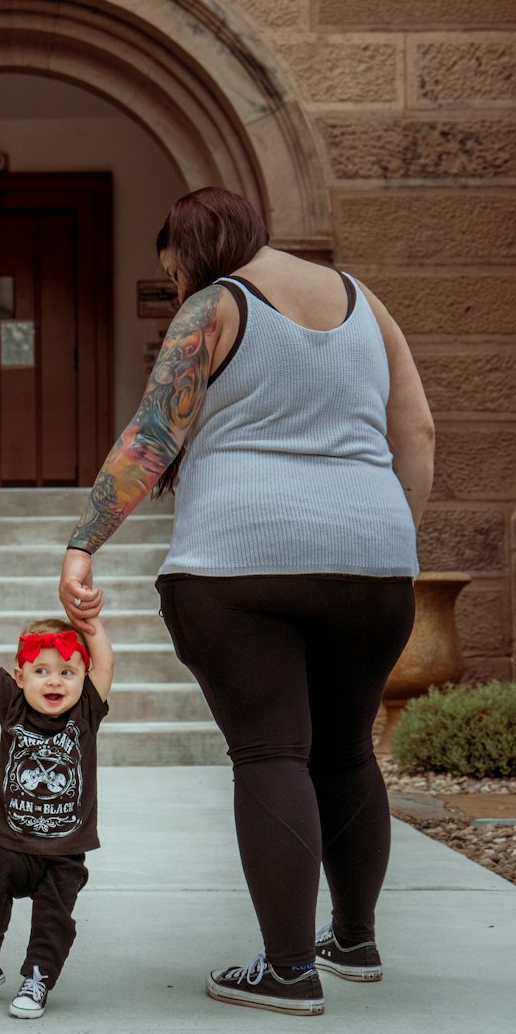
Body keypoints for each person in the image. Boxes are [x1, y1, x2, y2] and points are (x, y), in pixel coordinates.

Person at [58, 186, 434, 1019]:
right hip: (373, 566)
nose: (176, 281)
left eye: (174, 267)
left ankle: (289, 968)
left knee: (272, 751)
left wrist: (84, 540)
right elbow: (419, 433)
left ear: (195, 247)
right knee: (346, 750)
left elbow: (153, 435)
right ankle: (356, 940)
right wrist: (383, 535)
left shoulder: (213, 306)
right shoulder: (369, 304)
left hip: (239, 565)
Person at [0, 599, 113, 1020]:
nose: (55, 681)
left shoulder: (86, 711)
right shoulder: (11, 704)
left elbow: (104, 659)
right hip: (9, 843)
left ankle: (38, 978)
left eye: (67, 672)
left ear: (84, 678)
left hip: (64, 851)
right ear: (20, 676)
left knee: (53, 921)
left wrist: (89, 620)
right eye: (42, 671)